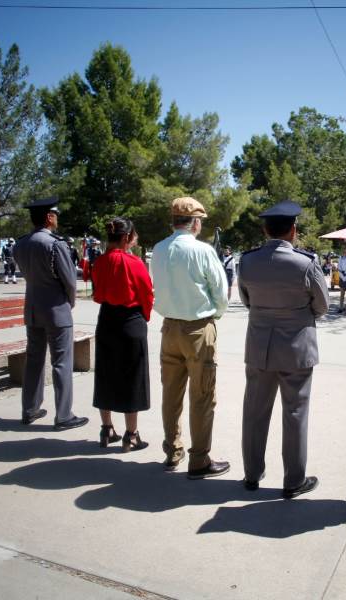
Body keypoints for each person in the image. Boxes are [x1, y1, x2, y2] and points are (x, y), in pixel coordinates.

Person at [237, 200, 330, 498]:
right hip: (296, 348)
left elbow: (248, 299)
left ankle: (252, 474)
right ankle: (293, 481)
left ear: (265, 230)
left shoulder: (248, 261)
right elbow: (323, 306)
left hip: (260, 346)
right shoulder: (306, 262)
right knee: (295, 414)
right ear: (293, 230)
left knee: (254, 412)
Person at [150, 197, 229, 478]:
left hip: (169, 327)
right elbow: (221, 292)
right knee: (203, 396)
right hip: (197, 328)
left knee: (171, 394)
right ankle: (199, 460)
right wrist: (214, 316)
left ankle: (172, 451)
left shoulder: (158, 249)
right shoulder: (202, 250)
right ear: (195, 223)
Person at [13, 197, 88, 431]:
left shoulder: (21, 243)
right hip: (56, 309)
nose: (57, 217)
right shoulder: (56, 244)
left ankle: (30, 409)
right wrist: (69, 303)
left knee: (34, 360)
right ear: (48, 217)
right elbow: (69, 281)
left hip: (33, 309)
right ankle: (64, 415)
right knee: (61, 363)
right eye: (55, 213)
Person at [91, 217, 154, 452]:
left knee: (105, 374)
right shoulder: (134, 263)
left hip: (106, 319)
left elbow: (97, 292)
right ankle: (131, 434)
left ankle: (106, 428)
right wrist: (144, 317)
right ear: (126, 238)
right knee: (133, 378)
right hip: (130, 321)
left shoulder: (99, 262)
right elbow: (146, 294)